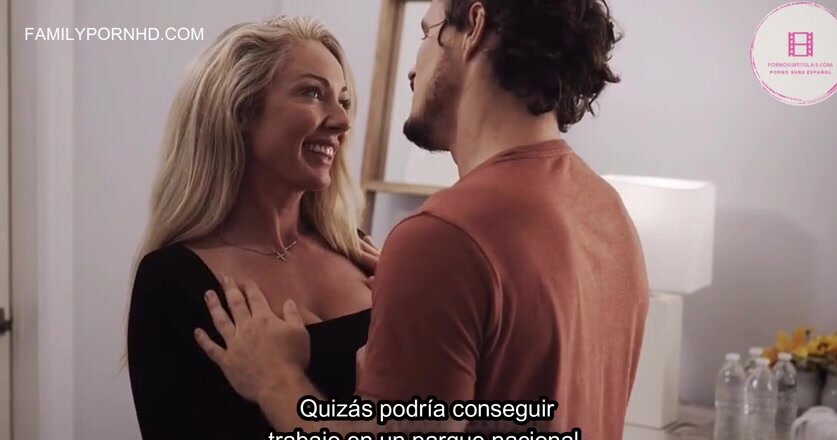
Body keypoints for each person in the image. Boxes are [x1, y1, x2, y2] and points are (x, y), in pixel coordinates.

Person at [194, 0, 650, 439]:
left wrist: (277, 380)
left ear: (473, 28)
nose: (413, 70)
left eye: (426, 33)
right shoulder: (607, 211)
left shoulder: (443, 238)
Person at [126, 16, 380, 439]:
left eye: (344, 101)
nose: (342, 121)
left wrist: (416, 304)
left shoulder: (361, 253)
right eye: (312, 92)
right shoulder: (171, 280)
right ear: (241, 111)